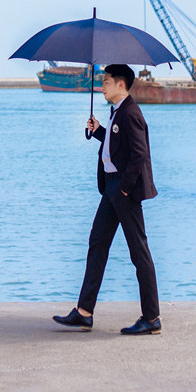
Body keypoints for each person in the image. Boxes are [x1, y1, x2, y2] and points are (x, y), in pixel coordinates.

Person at [53, 64, 162, 335]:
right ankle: (84, 313)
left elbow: (139, 154)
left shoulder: (131, 112)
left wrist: (124, 188)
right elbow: (117, 144)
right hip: (111, 189)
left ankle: (152, 317)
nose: (101, 86)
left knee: (139, 252)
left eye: (106, 82)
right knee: (97, 243)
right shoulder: (118, 111)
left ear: (120, 84)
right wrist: (100, 130)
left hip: (123, 191)